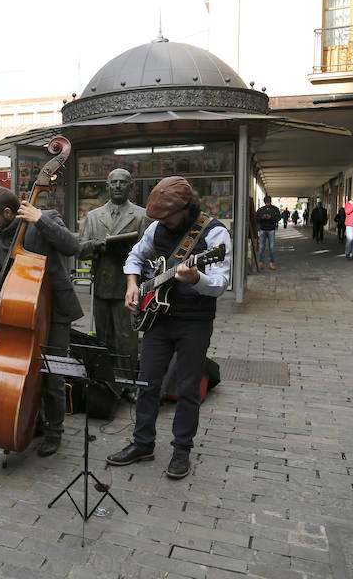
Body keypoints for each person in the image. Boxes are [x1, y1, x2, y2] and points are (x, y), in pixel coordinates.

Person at [106, 176, 231, 479]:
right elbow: (135, 256)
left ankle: (181, 451)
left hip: (194, 321)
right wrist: (133, 284)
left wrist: (196, 278)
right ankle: (142, 444)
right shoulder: (156, 228)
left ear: (186, 209)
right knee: (147, 383)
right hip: (157, 320)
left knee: (188, 388)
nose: (163, 222)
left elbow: (220, 283)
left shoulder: (215, 234)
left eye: (168, 216)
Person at [0, 187, 83, 457]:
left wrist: (40, 219)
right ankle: (33, 420)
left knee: (52, 374)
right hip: (23, 310)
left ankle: (54, 432)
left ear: (7, 213)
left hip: (54, 311)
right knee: (27, 371)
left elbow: (73, 246)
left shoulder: (46, 218)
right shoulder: (4, 233)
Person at [77, 168, 148, 381]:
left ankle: (127, 383)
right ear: (107, 186)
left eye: (122, 182)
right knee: (103, 338)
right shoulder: (93, 216)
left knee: (127, 339)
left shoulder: (142, 215)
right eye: (114, 182)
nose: (118, 186)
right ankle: (104, 382)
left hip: (127, 287)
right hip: (102, 285)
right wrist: (99, 245)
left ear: (130, 186)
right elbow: (81, 250)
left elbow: (149, 253)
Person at [255, 195, 280, 270]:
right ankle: (261, 263)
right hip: (263, 229)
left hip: (270, 229)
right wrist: (262, 217)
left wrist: (271, 218)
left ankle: (270, 263)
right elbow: (256, 218)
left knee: (270, 247)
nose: (267, 203)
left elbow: (278, 218)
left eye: (268, 202)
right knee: (262, 247)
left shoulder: (275, 209)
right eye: (266, 202)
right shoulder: (261, 210)